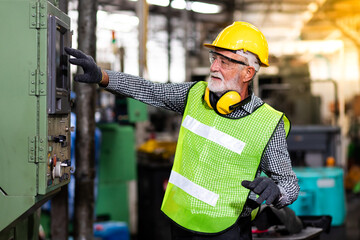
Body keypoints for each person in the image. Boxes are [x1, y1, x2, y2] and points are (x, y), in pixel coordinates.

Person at [65, 21, 299, 240]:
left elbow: (290, 185)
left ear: (248, 73)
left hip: (228, 229)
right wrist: (103, 76)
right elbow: (150, 90)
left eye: (225, 62)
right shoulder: (194, 95)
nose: (214, 67)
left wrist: (276, 191)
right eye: (214, 57)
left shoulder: (267, 122)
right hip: (182, 221)